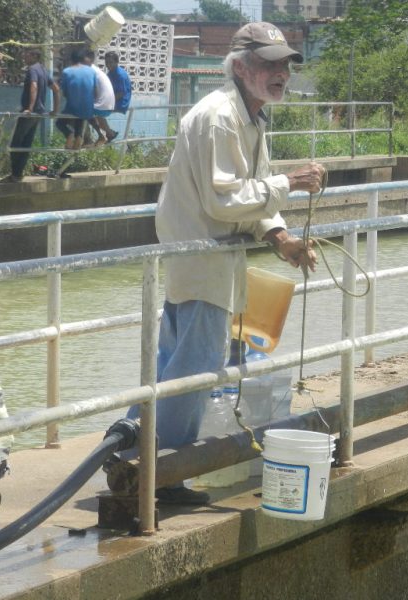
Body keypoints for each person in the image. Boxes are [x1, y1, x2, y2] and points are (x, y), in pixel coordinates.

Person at [125, 22, 325, 506]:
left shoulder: (249, 115)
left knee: (173, 363)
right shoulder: (220, 117)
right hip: (201, 256)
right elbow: (225, 200)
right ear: (240, 67)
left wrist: (279, 237)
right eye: (268, 64)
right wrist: (290, 183)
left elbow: (247, 198)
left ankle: (130, 451)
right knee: (195, 366)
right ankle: (163, 475)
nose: (280, 74)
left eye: (285, 65)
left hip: (206, 257)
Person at [2, 48, 60, 183]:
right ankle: (18, 174)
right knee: (26, 145)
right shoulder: (43, 70)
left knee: (16, 144)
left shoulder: (32, 69)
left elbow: (33, 85)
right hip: (38, 114)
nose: (24, 56)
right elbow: (56, 89)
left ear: (34, 55)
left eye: (26, 54)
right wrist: (54, 111)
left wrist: (29, 108)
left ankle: (15, 174)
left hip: (30, 113)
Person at [55, 47, 96, 150]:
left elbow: (64, 92)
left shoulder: (67, 71)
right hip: (88, 110)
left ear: (71, 60)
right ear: (82, 59)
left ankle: (69, 134)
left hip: (73, 108)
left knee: (59, 122)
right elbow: (94, 90)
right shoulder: (91, 71)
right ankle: (78, 137)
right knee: (81, 116)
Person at [83, 49, 117, 146]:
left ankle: (88, 139)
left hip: (103, 105)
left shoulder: (90, 71)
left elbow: (90, 90)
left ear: (90, 59)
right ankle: (109, 133)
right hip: (109, 105)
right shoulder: (95, 70)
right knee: (95, 114)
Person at [104, 51, 131, 121]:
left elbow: (121, 94)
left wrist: (106, 100)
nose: (108, 64)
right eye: (106, 62)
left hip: (121, 103)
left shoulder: (120, 75)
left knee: (96, 111)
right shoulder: (110, 73)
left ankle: (108, 131)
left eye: (111, 62)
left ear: (116, 62)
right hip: (113, 101)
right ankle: (106, 131)